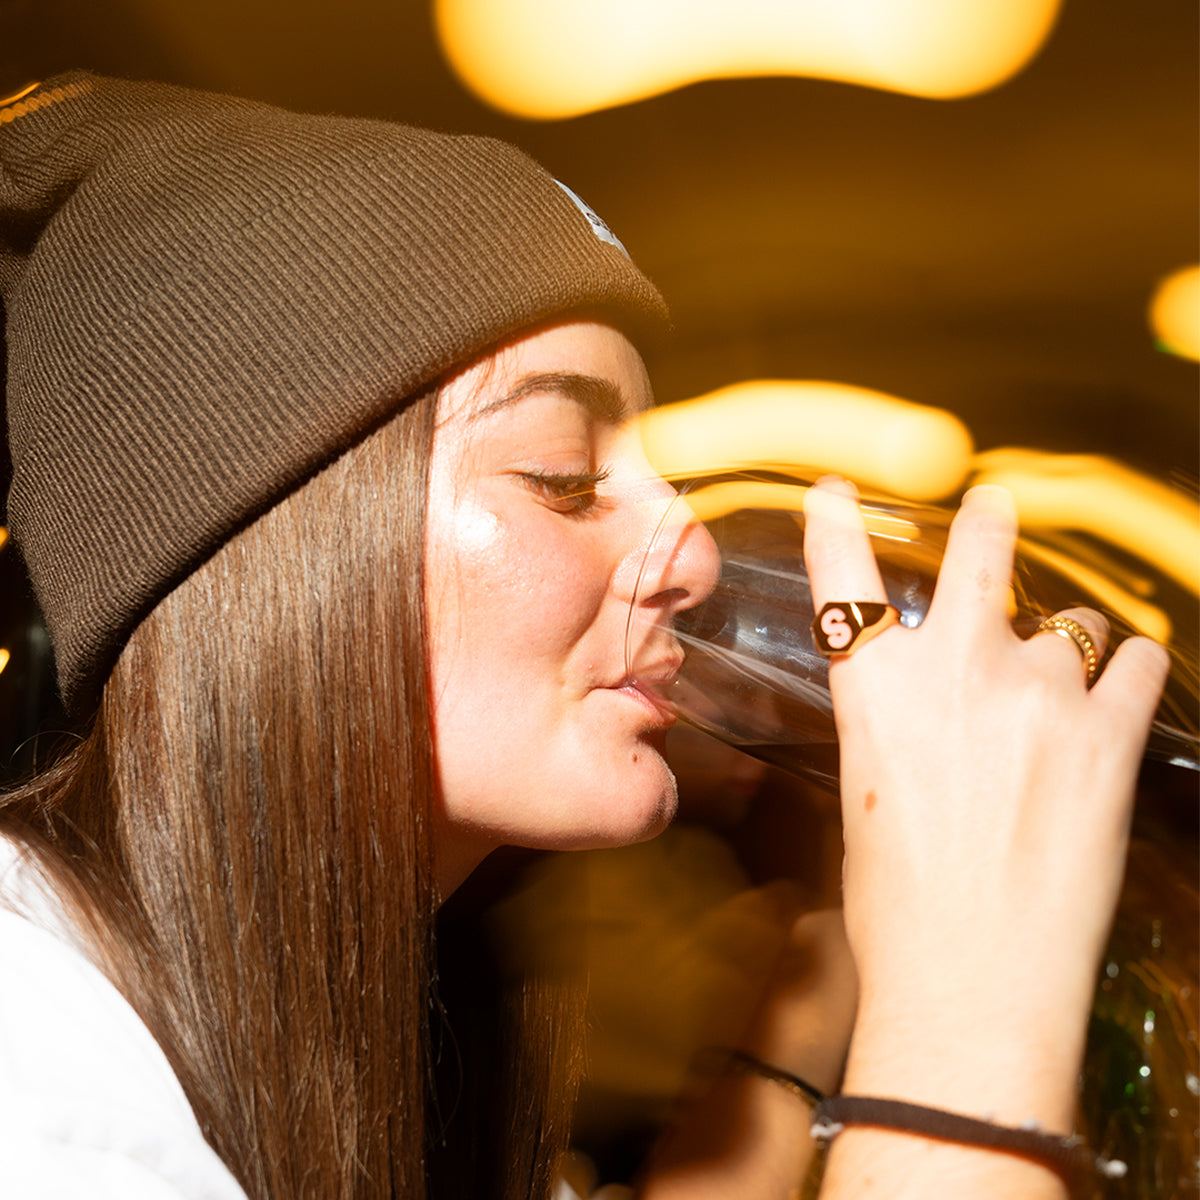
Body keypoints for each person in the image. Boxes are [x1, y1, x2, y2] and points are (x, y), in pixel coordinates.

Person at [0, 72, 1169, 1200]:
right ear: (280, 556)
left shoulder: (367, 1016)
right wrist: (969, 1019)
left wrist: (830, 978)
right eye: (563, 474)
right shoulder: (37, 1093)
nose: (698, 555)